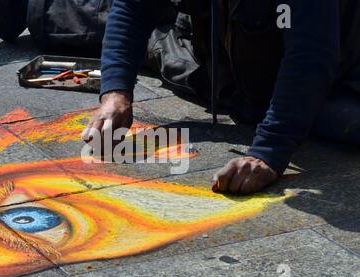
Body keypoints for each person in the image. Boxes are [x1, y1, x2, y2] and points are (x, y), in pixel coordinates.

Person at [82, 0, 360, 194]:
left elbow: (311, 56)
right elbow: (133, 8)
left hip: (337, 72)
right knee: (163, 50)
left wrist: (269, 152)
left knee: (341, 120)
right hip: (228, 65)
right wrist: (116, 93)